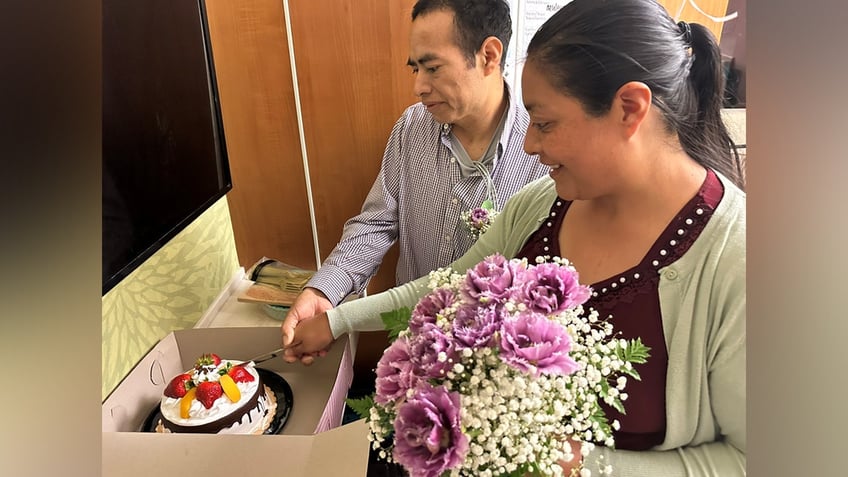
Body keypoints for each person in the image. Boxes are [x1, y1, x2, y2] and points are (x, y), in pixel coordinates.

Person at [284, 0, 745, 474]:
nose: (531, 142)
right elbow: (445, 285)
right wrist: (337, 317)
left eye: (544, 124)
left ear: (629, 109)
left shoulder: (736, 261)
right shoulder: (541, 203)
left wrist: (572, 464)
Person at [280, 0, 549, 364]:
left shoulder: (543, 154)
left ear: (488, 55)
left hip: (494, 366)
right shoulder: (413, 127)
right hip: (411, 345)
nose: (419, 87)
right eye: (415, 69)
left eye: (433, 68)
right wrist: (325, 289)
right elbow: (377, 224)